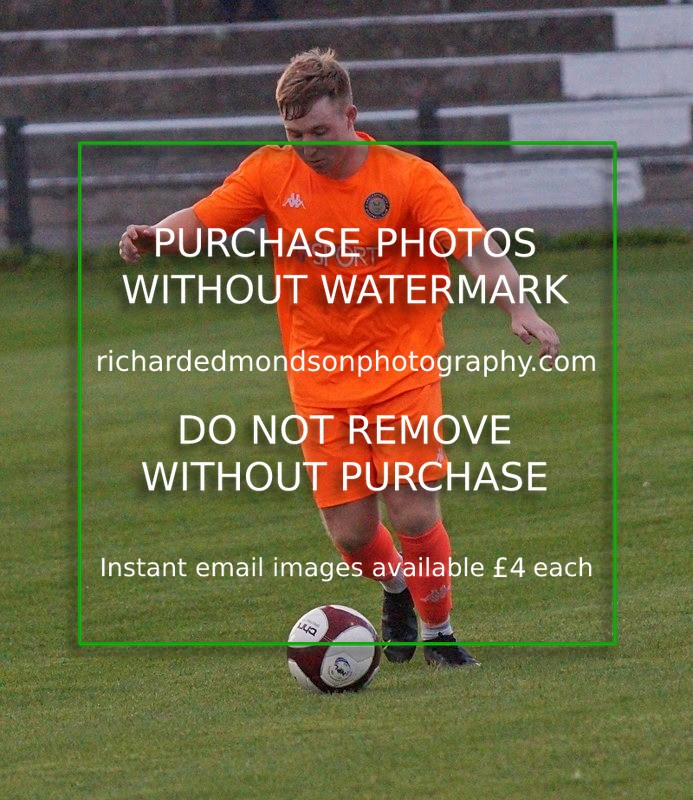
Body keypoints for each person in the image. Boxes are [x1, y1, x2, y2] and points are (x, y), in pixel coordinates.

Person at [119, 48, 559, 668]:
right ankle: (396, 588)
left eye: (319, 132)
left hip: (404, 371)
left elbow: (476, 250)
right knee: (352, 535)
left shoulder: (407, 178)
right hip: (321, 381)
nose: (307, 147)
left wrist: (520, 309)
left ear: (352, 115)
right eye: (295, 135)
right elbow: (203, 218)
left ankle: (440, 633)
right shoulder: (272, 173)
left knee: (411, 508)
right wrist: (157, 235)